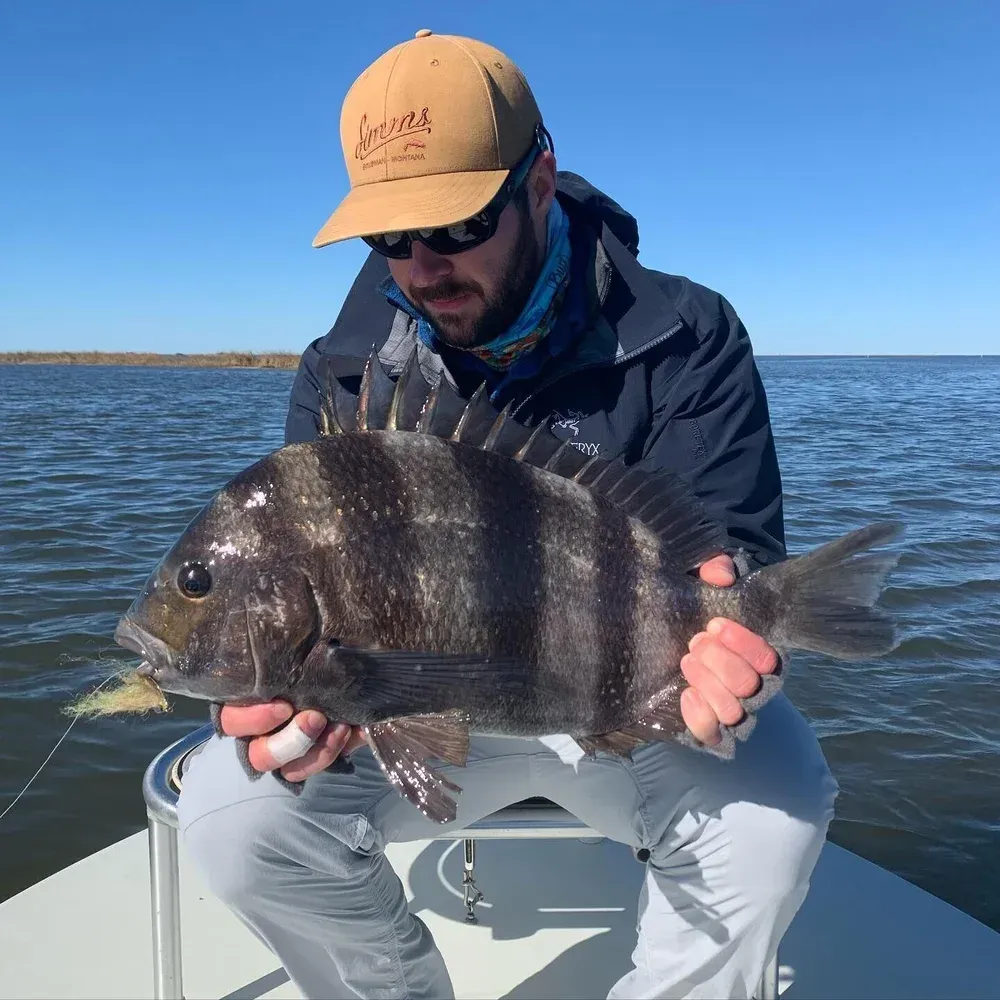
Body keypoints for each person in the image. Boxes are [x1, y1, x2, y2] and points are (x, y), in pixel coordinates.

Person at [178, 29, 837, 1000]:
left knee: (776, 803)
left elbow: (723, 553)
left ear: (538, 179)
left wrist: (725, 620)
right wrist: (307, 704)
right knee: (232, 811)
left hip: (620, 699)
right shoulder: (342, 372)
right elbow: (323, 627)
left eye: (453, 225)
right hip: (420, 710)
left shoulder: (687, 339)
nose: (421, 265)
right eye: (390, 238)